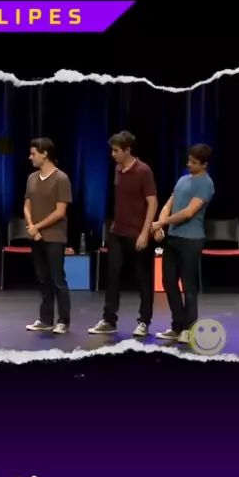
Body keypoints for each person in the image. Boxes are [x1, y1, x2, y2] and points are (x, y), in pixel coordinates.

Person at [89, 131, 158, 336]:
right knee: (113, 276)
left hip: (137, 232)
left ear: (128, 150)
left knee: (143, 278)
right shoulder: (118, 169)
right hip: (117, 232)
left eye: (116, 150)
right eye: (112, 150)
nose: (113, 154)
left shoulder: (143, 170)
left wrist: (145, 233)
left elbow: (152, 203)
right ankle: (109, 320)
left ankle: (144, 321)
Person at [153, 144, 214, 343]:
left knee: (189, 286)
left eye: (194, 162)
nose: (189, 164)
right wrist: (161, 225)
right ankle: (177, 325)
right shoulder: (182, 180)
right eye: (189, 160)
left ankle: (189, 329)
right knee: (168, 282)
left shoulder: (206, 184)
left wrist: (161, 223)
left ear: (204, 164)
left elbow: (188, 212)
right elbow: (168, 205)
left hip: (191, 240)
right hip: (173, 239)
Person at [24, 138, 72, 334]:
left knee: (57, 278)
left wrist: (38, 227)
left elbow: (60, 212)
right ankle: (45, 319)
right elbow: (27, 205)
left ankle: (63, 320)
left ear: (45, 154)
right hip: (36, 237)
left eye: (33, 153)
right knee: (43, 279)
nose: (30, 157)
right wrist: (31, 227)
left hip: (54, 236)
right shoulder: (31, 178)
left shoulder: (61, 178)